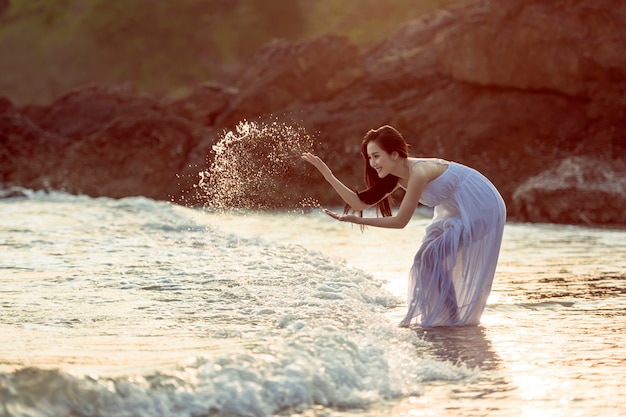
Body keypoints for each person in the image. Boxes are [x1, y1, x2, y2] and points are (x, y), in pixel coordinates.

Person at [301, 125, 506, 327]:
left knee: (429, 257)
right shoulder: (395, 177)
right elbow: (358, 203)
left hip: (481, 202)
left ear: (395, 154)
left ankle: (452, 318)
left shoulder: (418, 172)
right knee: (426, 259)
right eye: (369, 157)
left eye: (376, 156)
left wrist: (359, 221)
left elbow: (400, 221)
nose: (372, 163)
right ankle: (450, 316)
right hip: (456, 207)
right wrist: (327, 174)